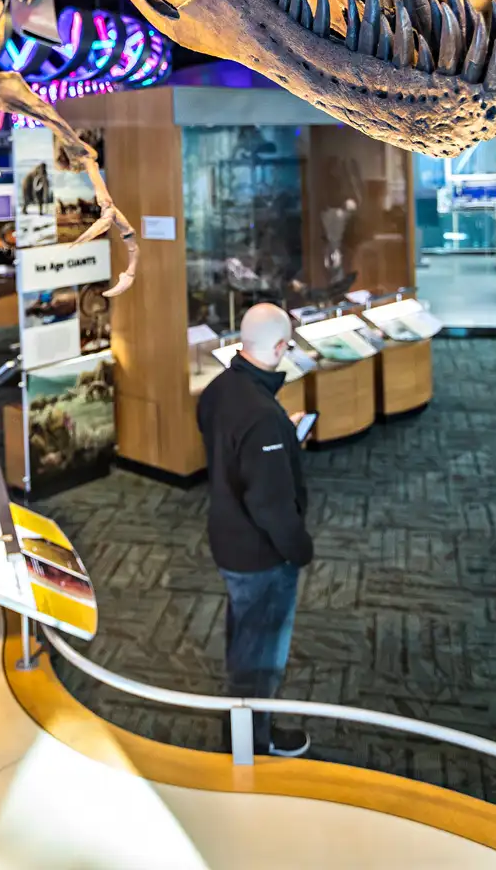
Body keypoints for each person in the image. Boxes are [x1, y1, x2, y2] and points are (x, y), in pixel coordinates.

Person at [197, 302, 313, 758]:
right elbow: (269, 504)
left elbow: (230, 449)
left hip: (227, 539)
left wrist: (280, 438)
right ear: (281, 346)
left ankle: (244, 732)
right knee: (260, 656)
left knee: (244, 637)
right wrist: (298, 548)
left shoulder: (221, 389)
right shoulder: (262, 414)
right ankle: (253, 745)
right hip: (260, 554)